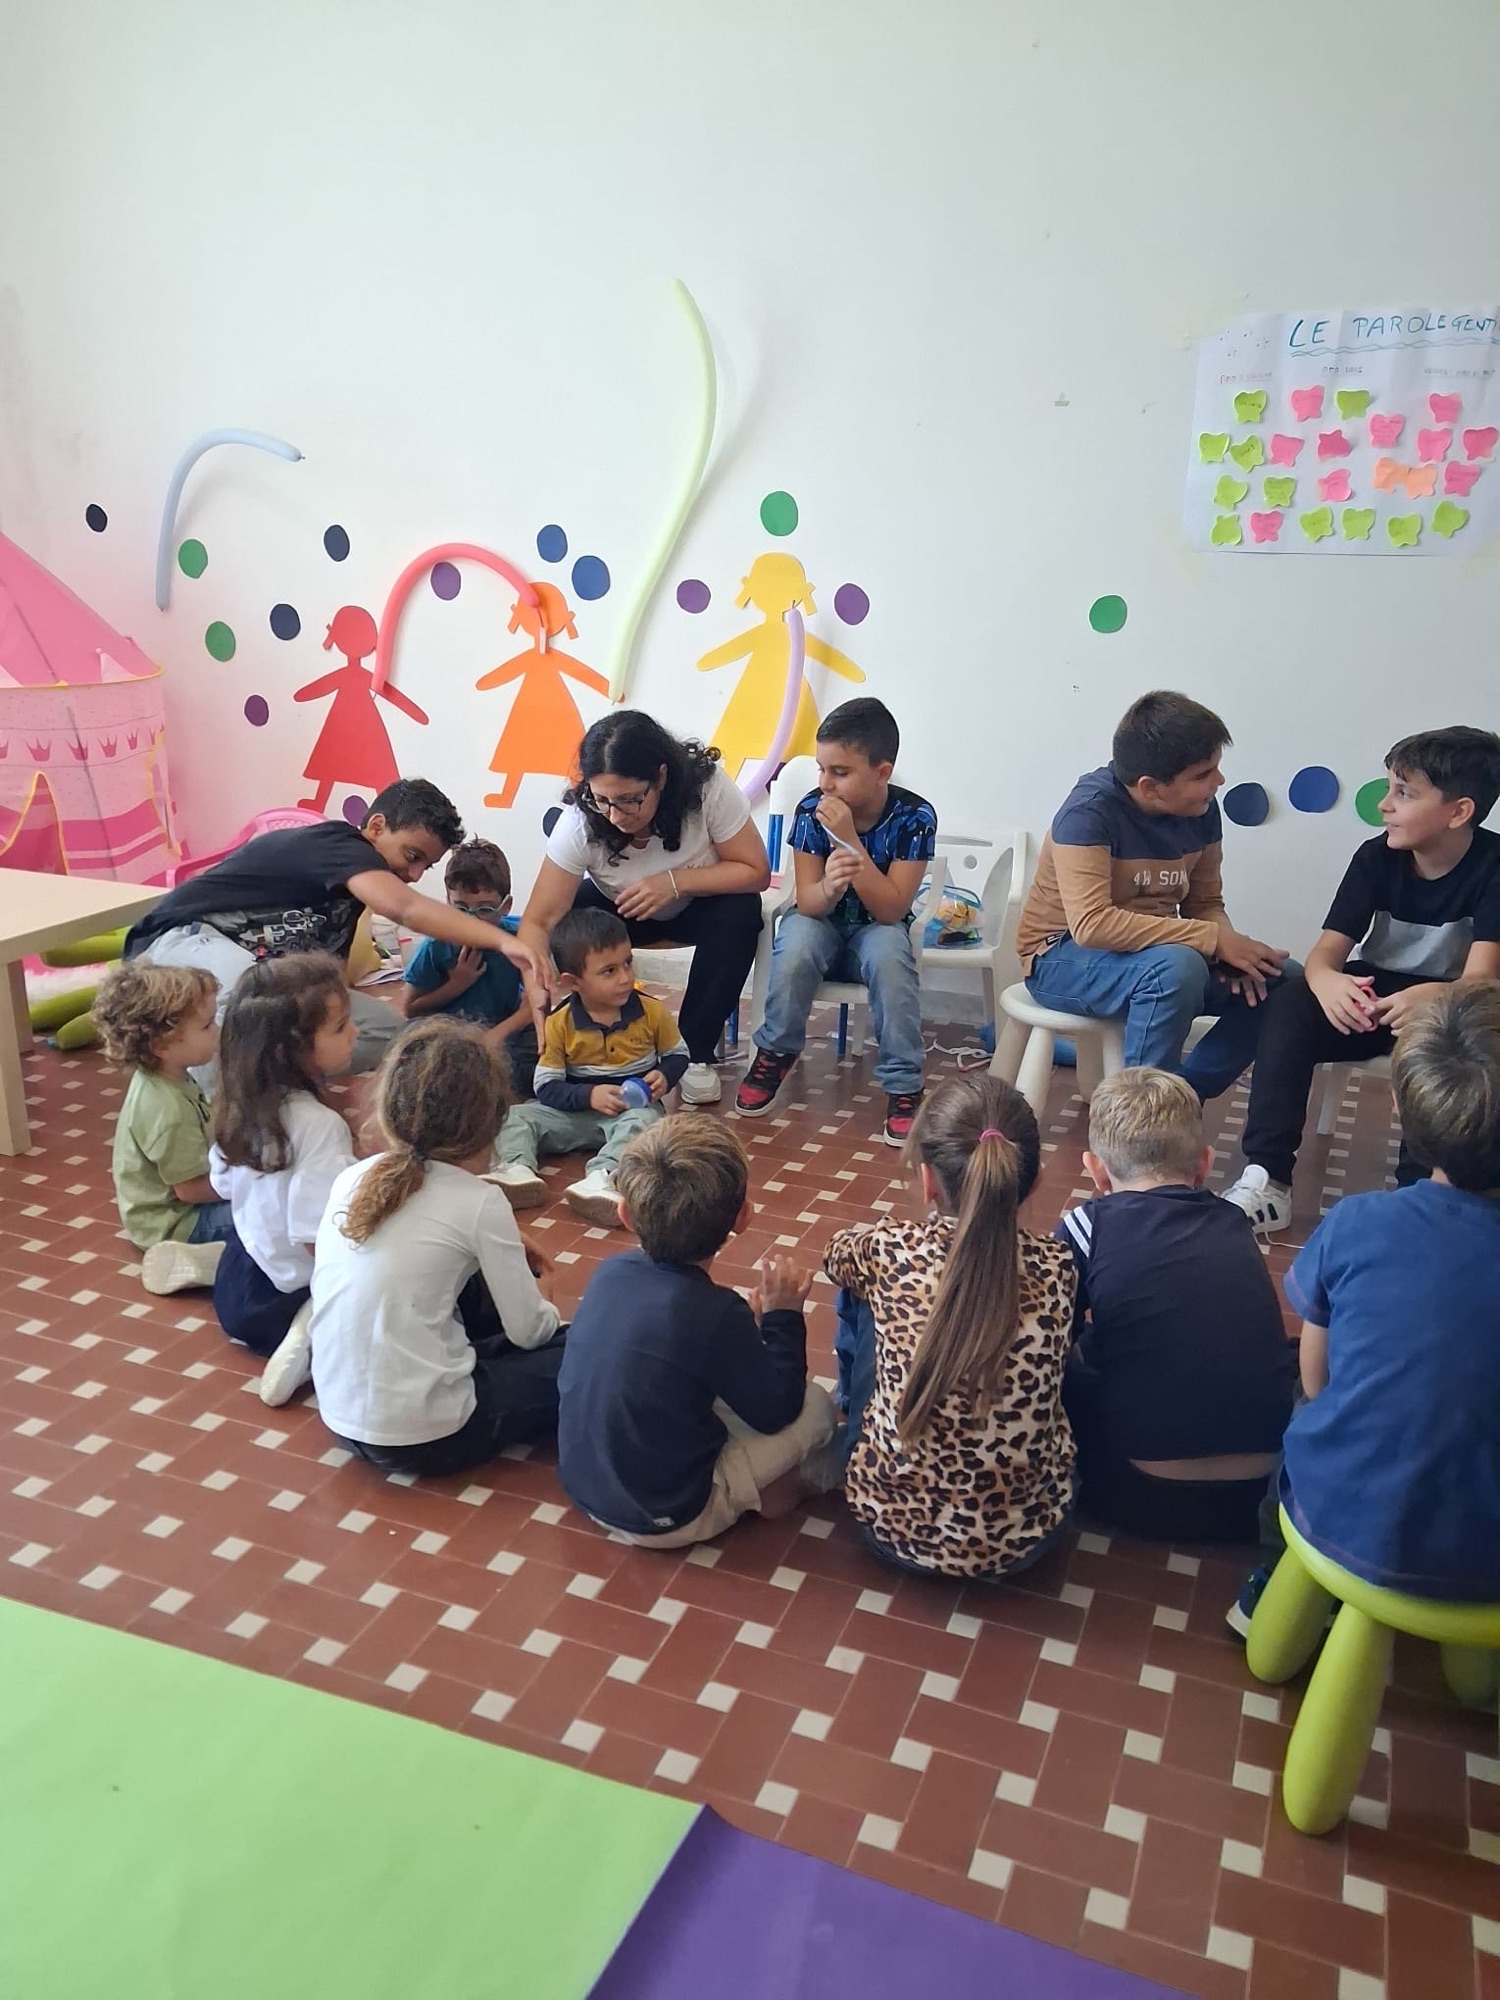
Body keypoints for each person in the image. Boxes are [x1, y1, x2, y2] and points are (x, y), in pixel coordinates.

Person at [1233, 982, 1500, 1623]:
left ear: (1404, 1107)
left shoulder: (1357, 1222)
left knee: (1302, 1393)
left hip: (1334, 1520)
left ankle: (1268, 1588)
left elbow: (1316, 1380)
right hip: (1483, 1562)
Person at [1222, 726, 1500, 1233]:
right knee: (1291, 1004)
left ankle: (1419, 1197)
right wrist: (1327, 983)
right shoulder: (1376, 856)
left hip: (1454, 1003)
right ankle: (1267, 1179)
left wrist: (1435, 997)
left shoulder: (1494, 865)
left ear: (1459, 811)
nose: (1384, 805)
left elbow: (1481, 979)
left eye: (1404, 793)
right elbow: (1325, 954)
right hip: (1375, 993)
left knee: (1447, 1044)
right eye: (1389, 787)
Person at [823, 1074, 1078, 1580]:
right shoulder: (1058, 1264)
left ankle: (855, 1408)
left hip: (886, 1525)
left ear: (927, 1181)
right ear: (1031, 1180)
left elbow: (834, 1257)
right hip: (1026, 1540)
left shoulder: (888, 1248)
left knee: (861, 1291)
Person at [124, 778, 541, 1079]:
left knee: (384, 1031)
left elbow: (327, 977)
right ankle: (224, 1117)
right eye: (412, 856)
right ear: (376, 827)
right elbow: (406, 907)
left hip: (260, 975)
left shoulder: (350, 898)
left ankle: (277, 1080)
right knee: (242, 991)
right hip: (179, 942)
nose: (414, 874)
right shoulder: (338, 845)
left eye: (425, 867)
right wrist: (505, 942)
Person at [557, 1116, 836, 1546]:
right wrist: (783, 1317)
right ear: (743, 1216)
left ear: (625, 1214)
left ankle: (746, 1485)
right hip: (668, 1517)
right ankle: (755, 1493)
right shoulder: (717, 1312)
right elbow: (778, 1410)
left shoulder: (610, 1271)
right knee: (816, 1405)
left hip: (585, 1486)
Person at [311, 1020, 567, 1475]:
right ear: (492, 1122)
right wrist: (544, 1299)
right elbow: (531, 1333)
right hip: (430, 1437)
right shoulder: (481, 1201)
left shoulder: (354, 1176)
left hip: (339, 1418)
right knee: (583, 1351)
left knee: (450, 1293)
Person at [1018, 691, 1292, 1100]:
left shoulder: (1202, 809)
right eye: (1203, 774)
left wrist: (1228, 951)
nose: (1218, 782)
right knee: (1176, 970)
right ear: (1150, 788)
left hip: (1157, 954)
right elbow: (1092, 925)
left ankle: (1179, 1097)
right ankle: (1141, 1118)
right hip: (1059, 957)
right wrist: (1213, 940)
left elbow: (1204, 905)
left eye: (1217, 768)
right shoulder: (1087, 813)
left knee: (1282, 980)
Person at [1056, 1069, 1294, 1542]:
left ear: (1096, 1170)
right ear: (1204, 1164)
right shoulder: (1235, 1221)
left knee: (1066, 1361)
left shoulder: (1087, 1224)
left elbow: (1052, 1339)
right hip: (1260, 1496)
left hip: (1138, 1491)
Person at [517, 710, 770, 1106]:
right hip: (622, 913)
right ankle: (589, 1041)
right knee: (573, 913)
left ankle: (694, 1053)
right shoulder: (580, 821)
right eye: (603, 800)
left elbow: (755, 871)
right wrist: (535, 980)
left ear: (661, 778)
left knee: (741, 911)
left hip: (699, 907)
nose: (616, 816)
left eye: (629, 800)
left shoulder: (706, 790)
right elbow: (537, 922)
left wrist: (674, 882)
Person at [737, 697, 936, 1147]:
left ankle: (904, 1084)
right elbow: (808, 902)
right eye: (821, 769)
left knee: (890, 955)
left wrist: (849, 843)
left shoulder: (915, 818)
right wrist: (828, 886)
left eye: (840, 772)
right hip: (821, 922)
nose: (825, 783)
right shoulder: (812, 810)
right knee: (796, 941)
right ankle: (776, 1052)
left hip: (878, 929)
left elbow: (891, 910)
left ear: (882, 772)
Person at [207, 954, 358, 1387]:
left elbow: (222, 1184)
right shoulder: (321, 1125)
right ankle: (305, 1336)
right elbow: (315, 1239)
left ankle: (203, 1263)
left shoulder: (236, 1104)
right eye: (340, 1027)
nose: (355, 1032)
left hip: (238, 1285)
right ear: (289, 1050)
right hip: (283, 1303)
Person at [489, 908, 687, 1225]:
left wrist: (665, 1075)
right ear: (572, 982)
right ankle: (516, 1171)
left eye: (627, 963)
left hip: (630, 1113)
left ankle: (601, 1178)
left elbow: (678, 1055)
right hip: (574, 1115)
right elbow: (546, 1086)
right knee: (517, 1115)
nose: (625, 977)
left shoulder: (652, 1012)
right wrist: (588, 1096)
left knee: (648, 1122)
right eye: (609, 971)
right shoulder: (559, 1023)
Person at [93, 960, 233, 1296]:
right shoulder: (167, 1111)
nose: (217, 1031)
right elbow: (189, 1191)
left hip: (167, 1213)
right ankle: (207, 1263)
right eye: (206, 1026)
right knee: (267, 1214)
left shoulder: (167, 1077)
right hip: (176, 1223)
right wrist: (247, 1187)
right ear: (162, 1045)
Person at [401, 836, 539, 1097]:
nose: (472, 920)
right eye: (461, 909)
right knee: (410, 1044)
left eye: (484, 909)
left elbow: (537, 1003)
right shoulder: (436, 944)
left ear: (506, 906)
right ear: (448, 901)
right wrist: (456, 984)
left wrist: (495, 1036)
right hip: (448, 1032)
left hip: (502, 1029)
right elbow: (410, 1009)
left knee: (544, 1044)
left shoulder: (519, 939)